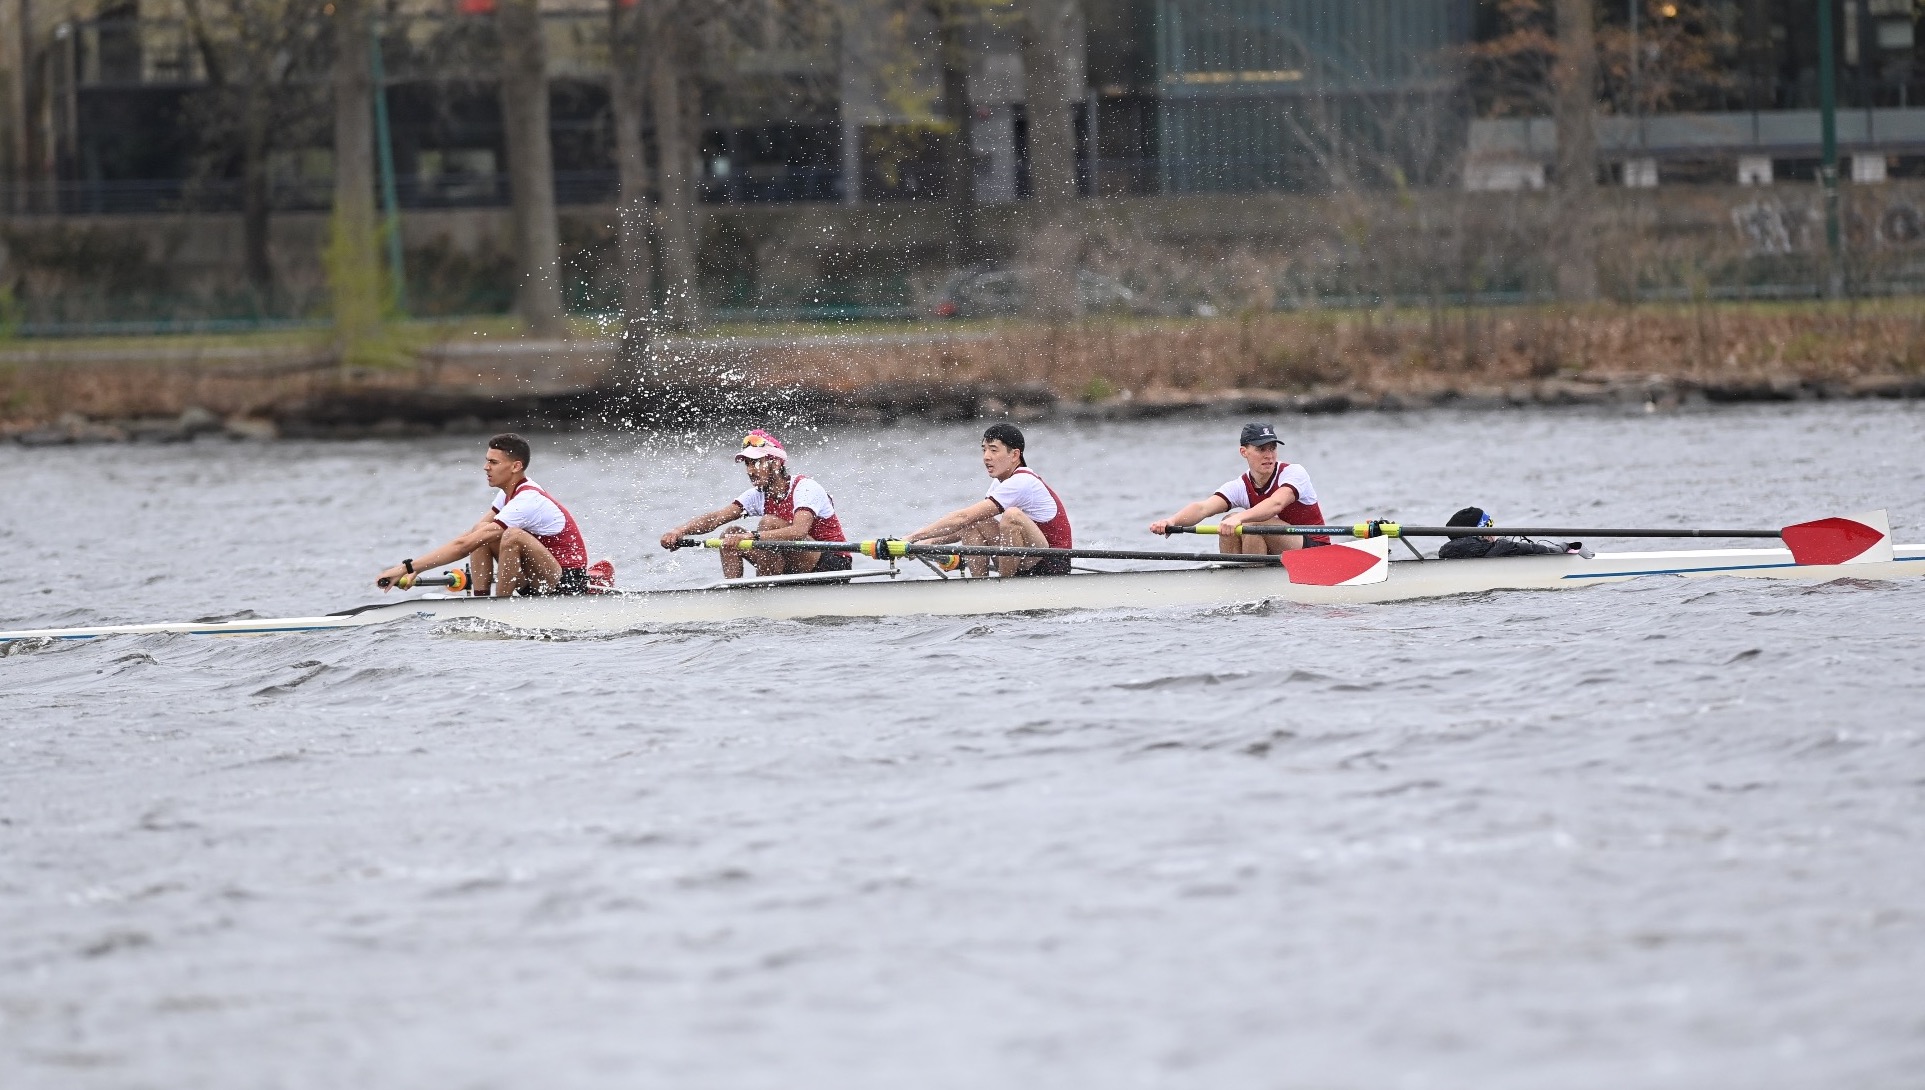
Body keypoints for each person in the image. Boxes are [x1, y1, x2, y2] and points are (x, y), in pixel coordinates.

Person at [375, 433, 594, 596]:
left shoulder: (528, 500)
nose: (485, 467)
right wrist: (418, 569)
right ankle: (481, 600)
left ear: (516, 466)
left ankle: (500, 606)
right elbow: (470, 538)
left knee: (512, 535)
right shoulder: (507, 494)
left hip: (566, 583)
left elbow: (463, 546)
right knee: (480, 533)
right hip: (538, 579)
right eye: (487, 460)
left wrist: (406, 567)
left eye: (493, 462)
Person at [658, 430, 851, 579]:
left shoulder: (805, 488)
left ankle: (765, 594)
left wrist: (752, 536)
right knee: (729, 535)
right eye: (747, 464)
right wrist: (679, 531)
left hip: (832, 565)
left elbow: (799, 531)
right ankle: (736, 596)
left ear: (776, 463)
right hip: (796, 566)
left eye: (756, 463)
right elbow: (716, 518)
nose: (750, 470)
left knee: (769, 523)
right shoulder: (757, 496)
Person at [906, 422, 1073, 578]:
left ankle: (1004, 585)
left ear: (1015, 455)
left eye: (993, 450)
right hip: (1026, 560)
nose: (986, 457)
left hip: (1053, 564)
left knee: (1011, 516)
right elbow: (965, 523)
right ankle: (980, 586)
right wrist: (927, 544)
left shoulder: (1023, 481)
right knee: (976, 522)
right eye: (984, 450)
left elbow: (962, 516)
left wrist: (912, 537)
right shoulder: (998, 483)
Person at [1148, 422, 1330, 552]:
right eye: (1261, 449)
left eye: (1272, 448)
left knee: (1246, 522)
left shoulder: (1294, 473)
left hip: (1314, 548)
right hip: (1276, 551)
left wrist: (1240, 518)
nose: (1269, 455)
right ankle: (1237, 580)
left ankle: (1251, 584)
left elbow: (1276, 504)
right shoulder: (1240, 486)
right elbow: (1203, 508)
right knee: (1230, 520)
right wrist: (1171, 521)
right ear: (1244, 452)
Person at [1435, 507, 1573, 559]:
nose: (1493, 532)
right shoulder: (1499, 549)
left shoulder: (1448, 553)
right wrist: (1560, 549)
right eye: (1488, 525)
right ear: (1476, 533)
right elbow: (1527, 549)